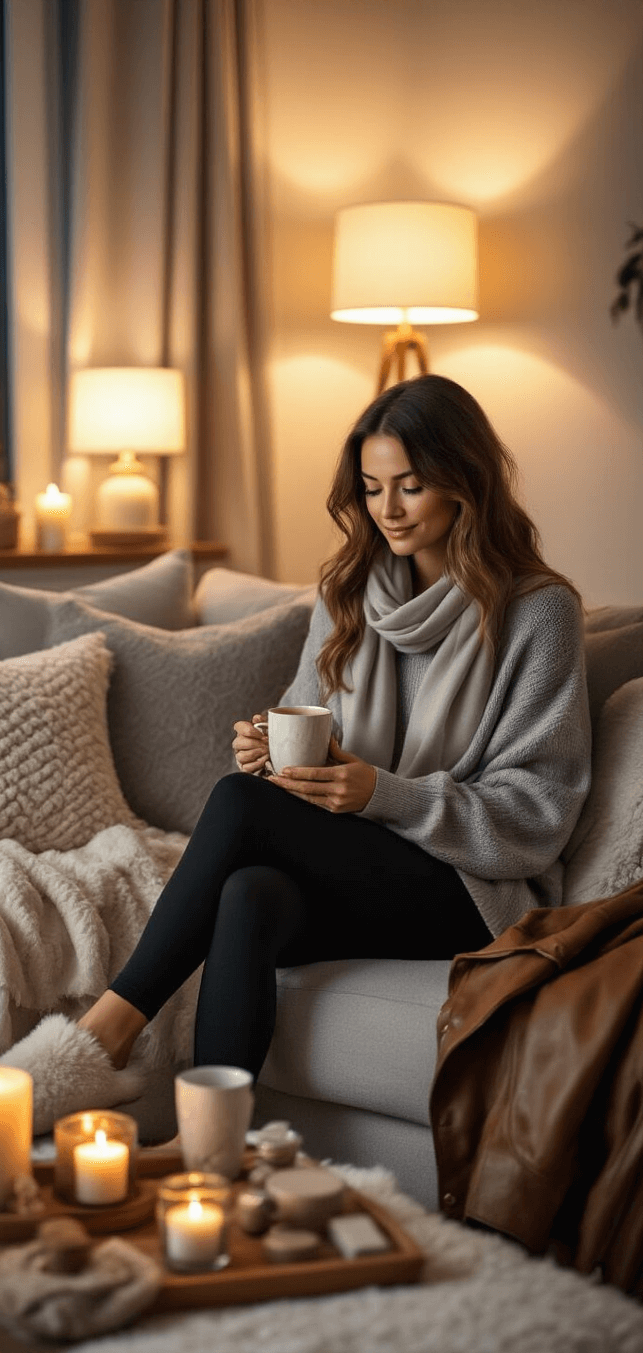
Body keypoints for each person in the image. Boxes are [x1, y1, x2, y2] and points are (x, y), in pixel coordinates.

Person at [77, 374, 591, 1083]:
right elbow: (307, 731)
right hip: (361, 860)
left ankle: (113, 1022)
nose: (388, 509)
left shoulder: (538, 613)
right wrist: (267, 752)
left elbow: (539, 818)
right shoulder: (346, 594)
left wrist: (382, 792)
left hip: (473, 891)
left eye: (410, 485)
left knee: (235, 802)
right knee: (248, 890)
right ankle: (217, 1143)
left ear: (464, 481)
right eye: (373, 487)